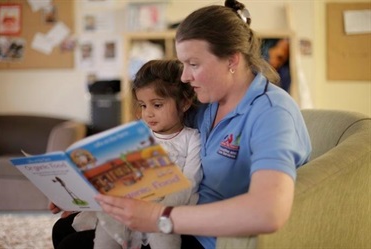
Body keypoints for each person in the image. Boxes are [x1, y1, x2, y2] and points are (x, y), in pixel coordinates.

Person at [95, 1, 312, 249]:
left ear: (232, 60)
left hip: (207, 237)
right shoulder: (205, 103)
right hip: (181, 214)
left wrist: (159, 217)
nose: (185, 77)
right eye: (183, 64)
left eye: (193, 64)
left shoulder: (273, 113)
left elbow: (269, 212)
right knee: (64, 229)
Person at [50, 59, 202, 249]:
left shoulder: (192, 138)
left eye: (157, 105)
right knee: (66, 230)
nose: (148, 114)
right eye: (143, 105)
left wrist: (156, 210)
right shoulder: (137, 136)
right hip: (125, 210)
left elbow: (190, 181)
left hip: (164, 213)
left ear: (185, 103)